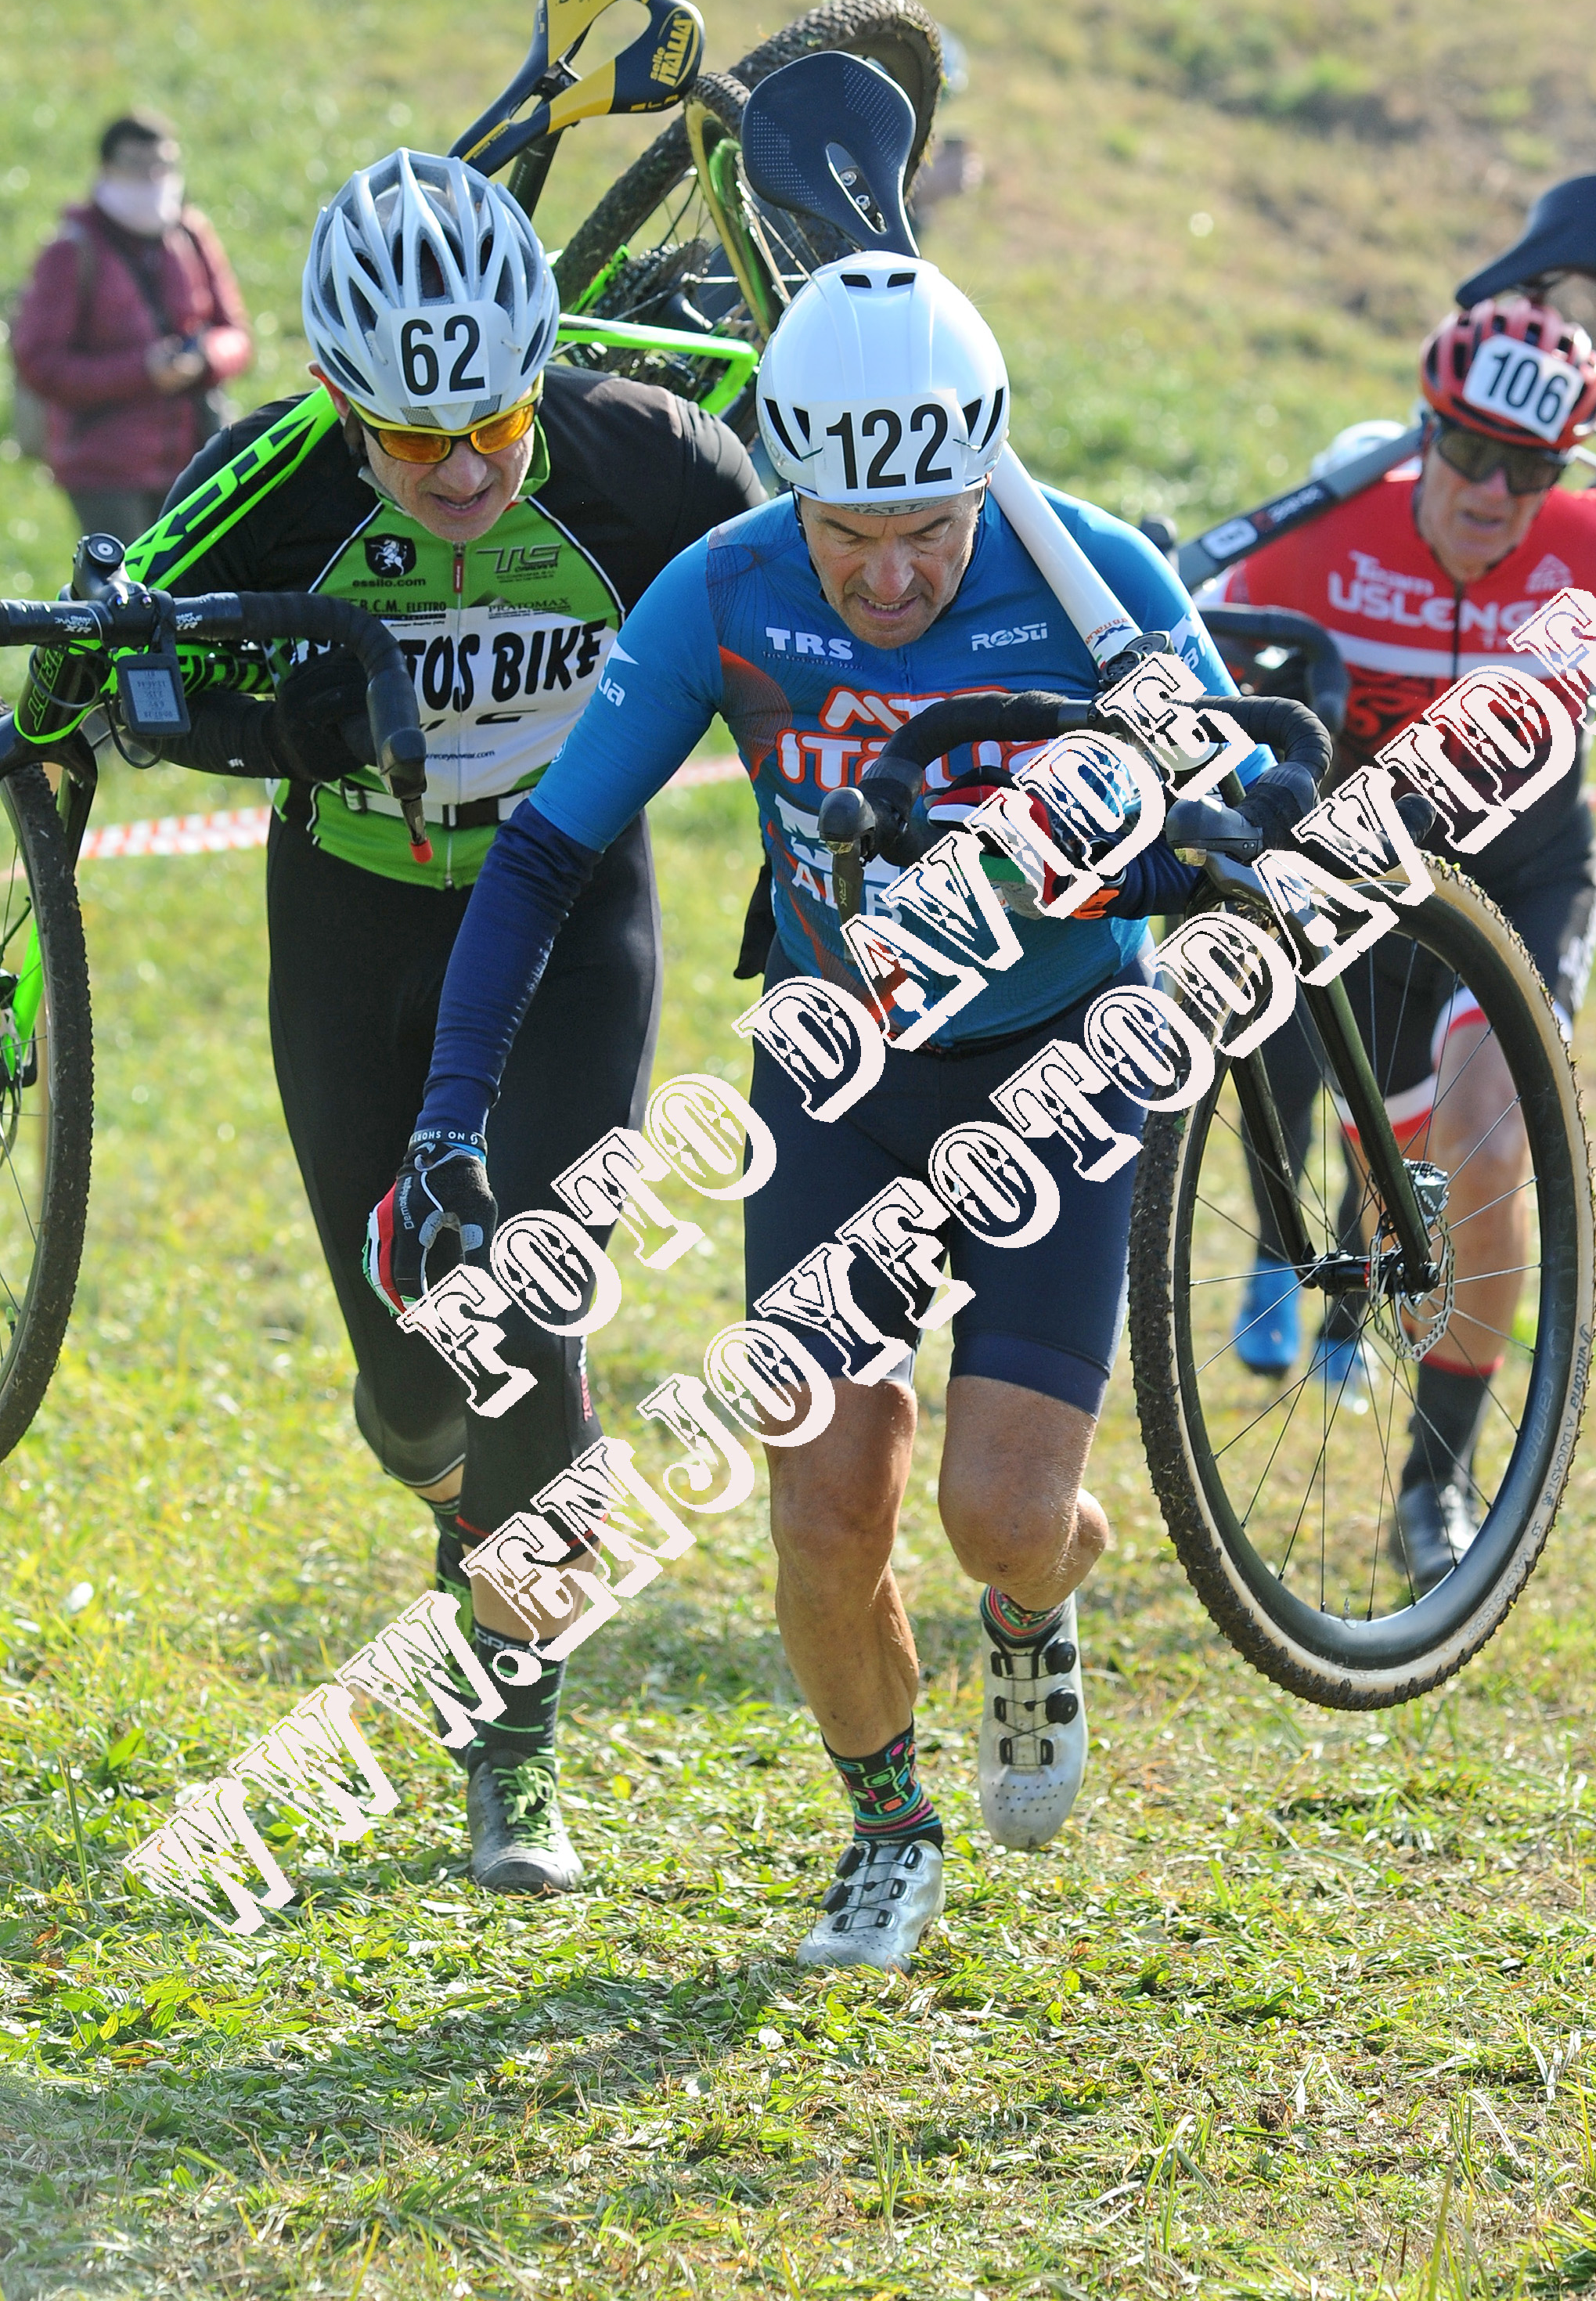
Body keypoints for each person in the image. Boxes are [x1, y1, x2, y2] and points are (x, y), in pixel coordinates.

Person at [367, 253, 1241, 1970]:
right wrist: (451, 1118)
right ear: (792, 492)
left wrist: (1164, 824)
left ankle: (1030, 1605)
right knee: (824, 1508)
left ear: (984, 476)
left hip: (1060, 1067)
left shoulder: (1094, 576)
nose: (891, 574)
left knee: (1001, 1516)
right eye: (849, 535)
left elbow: (1246, 800)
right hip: (837, 1079)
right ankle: (887, 1829)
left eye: (933, 531)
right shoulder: (726, 589)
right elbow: (543, 852)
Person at [153, 150, 761, 1893]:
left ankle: (514, 1738)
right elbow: (128, 679)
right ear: (337, 401)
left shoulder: (651, 464)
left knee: (532, 1315)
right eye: (416, 445)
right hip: (352, 916)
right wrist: (292, 723)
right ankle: (464, 1492)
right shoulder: (262, 486)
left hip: (566, 916)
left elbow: (800, 633)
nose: (469, 474)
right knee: (413, 1385)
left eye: (495, 423)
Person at [1202, 294, 1596, 1583]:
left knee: (1486, 1144)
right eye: (1466, 451)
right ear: (1425, 432)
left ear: (1561, 468)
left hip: (1525, 878)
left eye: (1524, 468)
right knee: (1400, 1187)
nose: (1488, 490)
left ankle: (1438, 1484)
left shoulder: (1589, 537)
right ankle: (1377, 1321)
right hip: (1365, 902)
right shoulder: (1323, 542)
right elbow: (1209, 657)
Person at [12, 109, 251, 545]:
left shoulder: (192, 235)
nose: (153, 178)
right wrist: (142, 371)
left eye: (163, 165)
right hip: (104, 470)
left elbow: (235, 333)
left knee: (191, 580)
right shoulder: (70, 252)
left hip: (192, 455)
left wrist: (203, 359)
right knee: (123, 582)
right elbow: (38, 362)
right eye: (137, 165)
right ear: (106, 169)